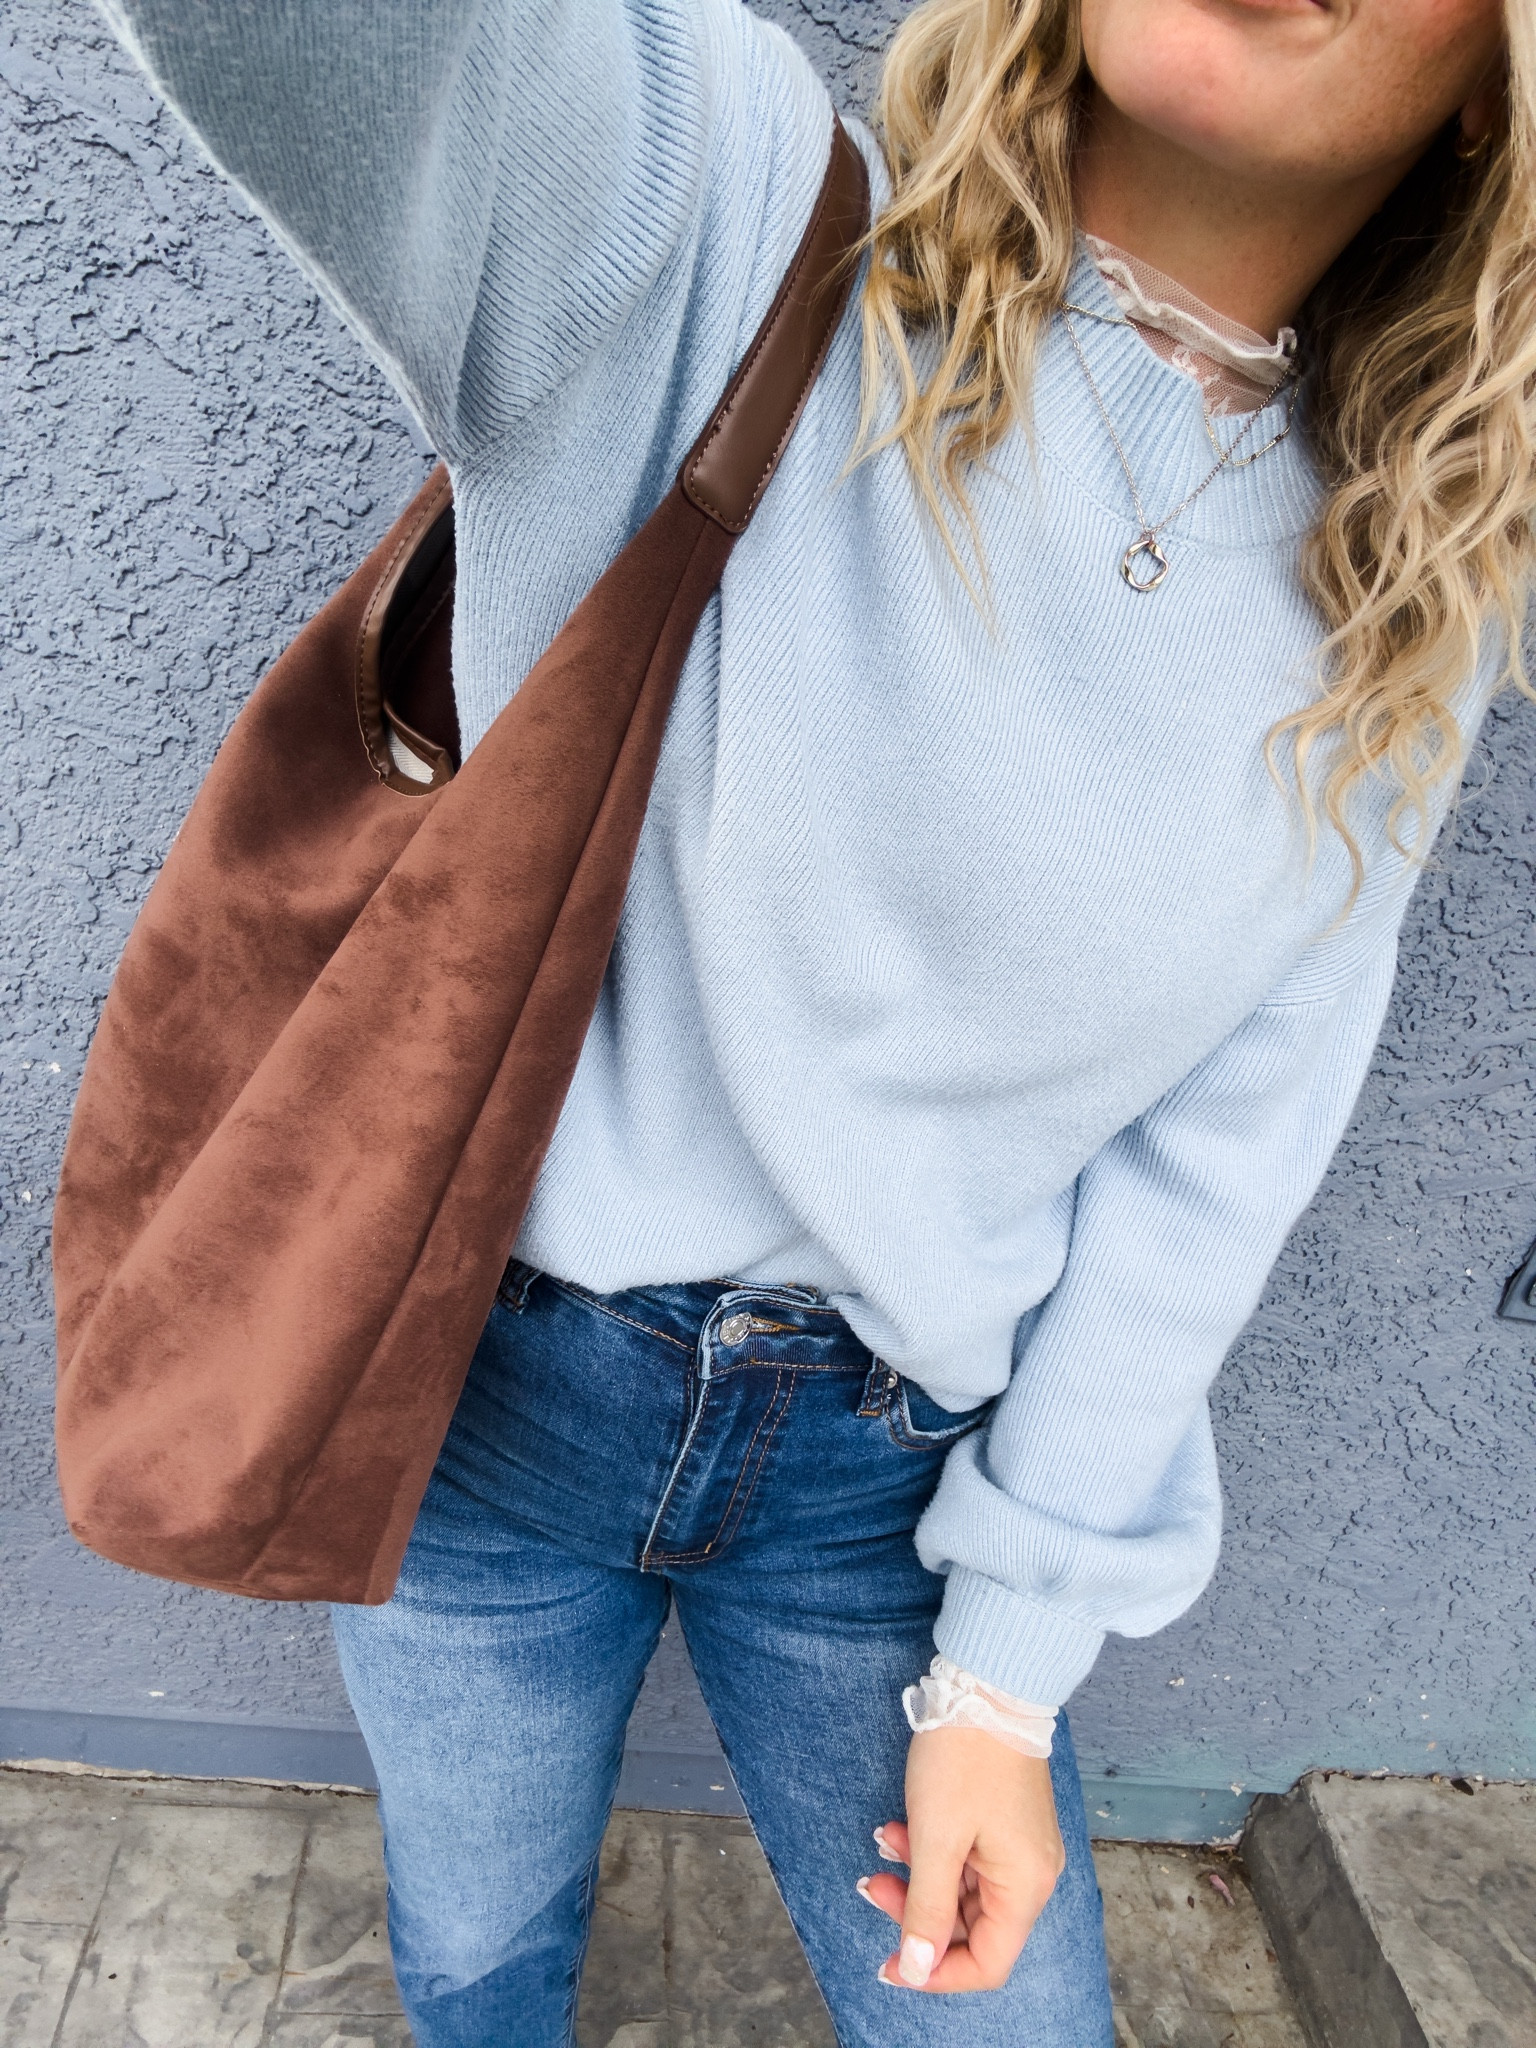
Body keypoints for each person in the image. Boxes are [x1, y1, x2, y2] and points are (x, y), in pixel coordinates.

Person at [92, 0, 1523, 2041]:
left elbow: (1210, 1172)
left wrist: (1007, 1672)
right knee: (475, 1965)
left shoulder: (1406, 597)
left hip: (894, 1505)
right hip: (478, 1394)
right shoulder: (722, 223)